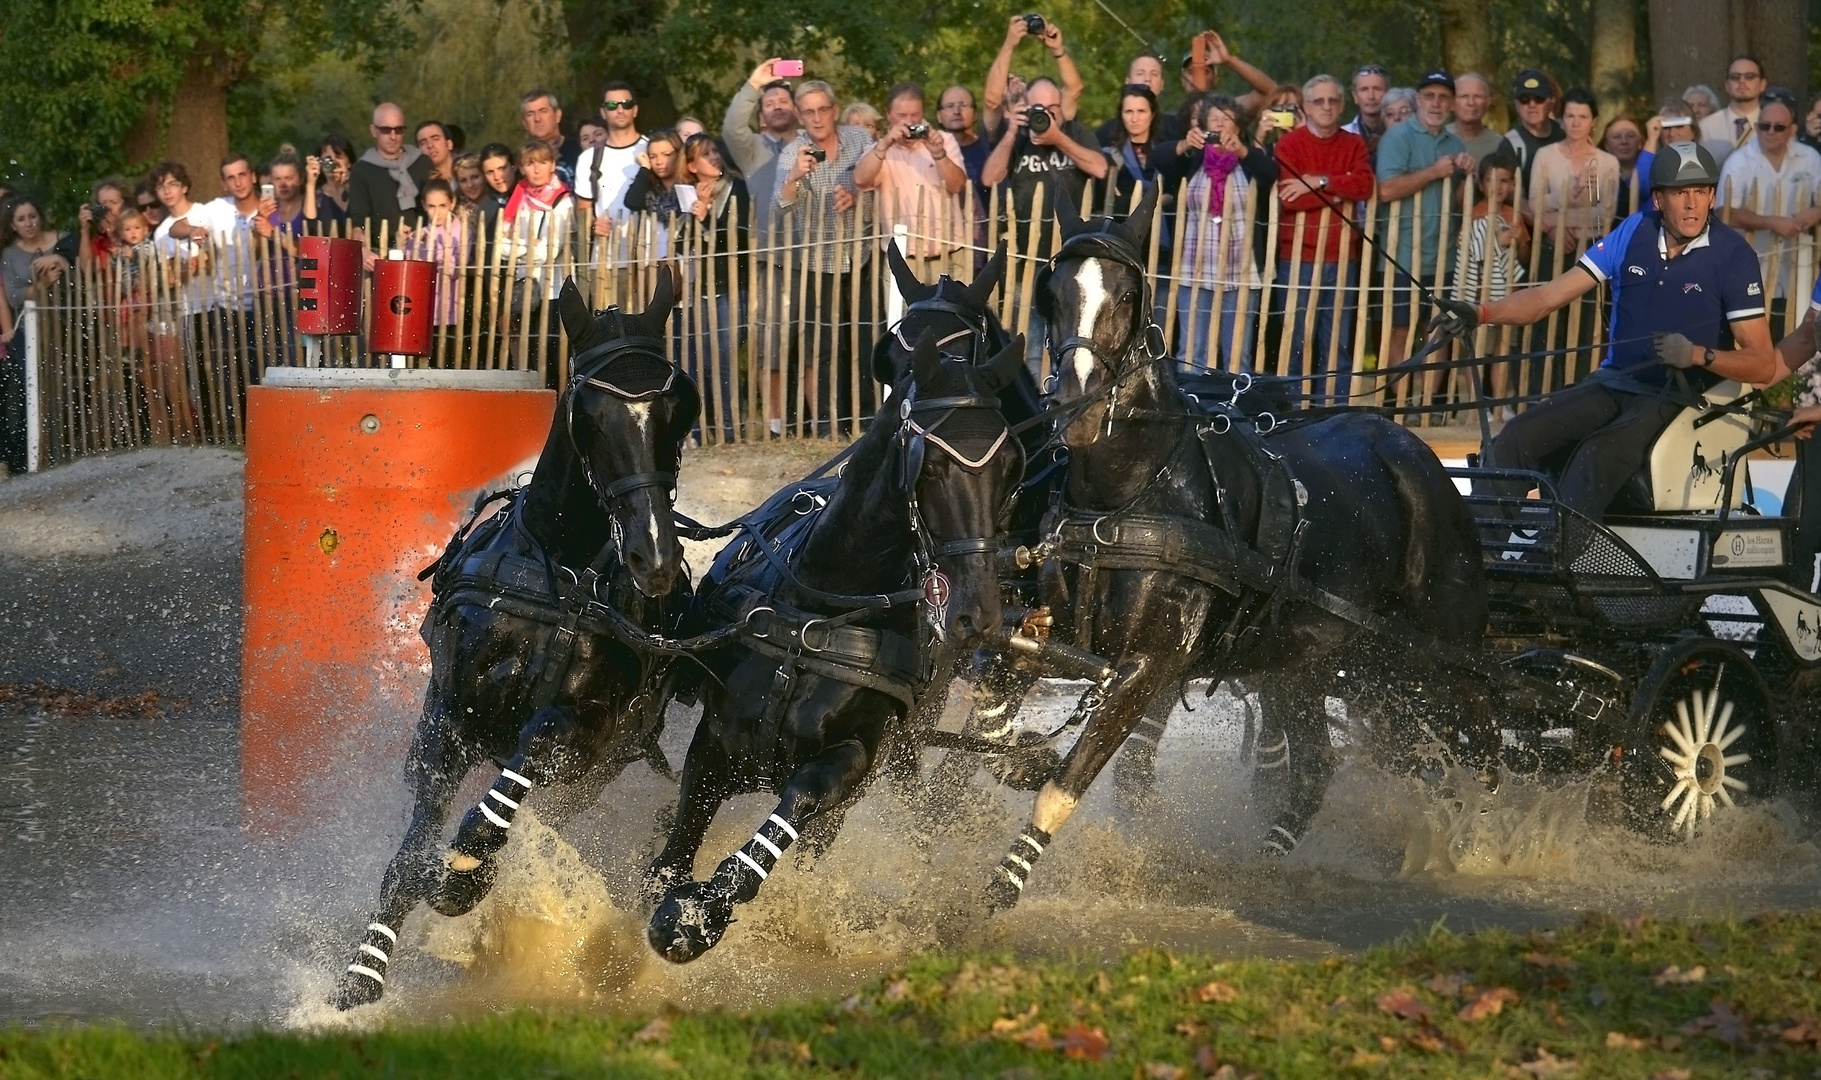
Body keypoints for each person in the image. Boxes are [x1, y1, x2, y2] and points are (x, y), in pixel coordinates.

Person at [1434, 143, 1776, 522]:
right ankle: (1481, 559)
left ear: (1712, 195)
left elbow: (1762, 363)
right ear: (1659, 199)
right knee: (1515, 437)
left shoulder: (1733, 254)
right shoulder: (1632, 231)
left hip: (1679, 396)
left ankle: (1557, 561)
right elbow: (1548, 297)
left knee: (1597, 454)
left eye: (1701, 191)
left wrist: (1699, 355)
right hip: (1614, 383)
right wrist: (1481, 312)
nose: (1692, 203)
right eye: (1681, 193)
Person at [982, 74, 1106, 368]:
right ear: (1027, 108)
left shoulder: (1076, 133)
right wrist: (1012, 130)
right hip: (1024, 267)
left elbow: (1100, 168)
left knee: (1070, 346)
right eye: (1040, 109)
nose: (1047, 115)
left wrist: (1057, 139)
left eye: (1054, 108)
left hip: (1071, 265)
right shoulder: (1018, 138)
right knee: (1029, 351)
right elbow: (989, 177)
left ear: (1063, 107)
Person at [775, 78, 875, 434]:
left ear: (834, 110)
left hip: (863, 254)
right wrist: (794, 177)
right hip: (820, 264)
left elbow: (879, 178)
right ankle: (833, 424)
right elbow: (781, 206)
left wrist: (855, 193)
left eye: (822, 110)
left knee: (867, 339)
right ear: (800, 117)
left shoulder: (860, 139)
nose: (817, 119)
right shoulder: (793, 151)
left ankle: (870, 418)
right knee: (825, 347)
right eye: (808, 112)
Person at [1269, 74, 1375, 404]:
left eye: (1333, 101)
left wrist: (1319, 181)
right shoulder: (1289, 145)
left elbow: (1365, 187)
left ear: (1342, 105)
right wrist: (1338, 190)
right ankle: (1294, 412)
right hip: (1297, 257)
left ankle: (1332, 410)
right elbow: (1290, 198)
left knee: (1337, 342)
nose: (1326, 107)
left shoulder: (1354, 144)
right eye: (1319, 101)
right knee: (1295, 339)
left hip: (1343, 257)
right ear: (1306, 107)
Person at [1375, 71, 1474, 365]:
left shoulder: (1455, 144)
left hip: (1442, 256)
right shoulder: (1397, 137)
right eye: (1429, 96)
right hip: (1401, 255)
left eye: (1443, 97)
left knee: (1439, 329)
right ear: (1418, 100)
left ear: (1452, 104)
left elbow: (1458, 203)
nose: (1435, 103)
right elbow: (1386, 190)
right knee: (1400, 330)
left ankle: (1427, 405)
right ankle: (1399, 407)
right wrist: (1433, 172)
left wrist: (1468, 176)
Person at [1174, 94, 1275, 371]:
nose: (1220, 125)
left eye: (1227, 119)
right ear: (1204, 126)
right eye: (1214, 119)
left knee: (1237, 353)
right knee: (1192, 349)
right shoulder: (1193, 159)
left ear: (1239, 128)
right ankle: (1191, 409)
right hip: (1195, 267)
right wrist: (1185, 144)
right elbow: (1160, 161)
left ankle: (1234, 410)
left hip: (1240, 270)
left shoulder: (1249, 161)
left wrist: (1243, 151)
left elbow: (1271, 173)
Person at [1717, 91, 1821, 311]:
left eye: (1779, 127)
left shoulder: (1810, 158)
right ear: (1757, 127)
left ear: (1792, 130)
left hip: (1800, 265)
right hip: (1753, 262)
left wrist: (1816, 212)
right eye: (1765, 126)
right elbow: (1724, 212)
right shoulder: (1738, 162)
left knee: (1797, 326)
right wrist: (1771, 222)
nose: (1771, 132)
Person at [853, 82, 968, 279]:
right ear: (888, 115)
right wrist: (885, 145)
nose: (909, 122)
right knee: (903, 312)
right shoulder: (878, 149)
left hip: (949, 253)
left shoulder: (944, 141)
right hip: (903, 256)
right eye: (902, 116)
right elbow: (861, 180)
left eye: (914, 115)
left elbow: (957, 185)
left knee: (953, 310)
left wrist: (939, 154)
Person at [681, 134, 749, 443]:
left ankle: (729, 430)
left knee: (723, 362)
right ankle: (701, 429)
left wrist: (707, 216)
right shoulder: (689, 195)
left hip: (730, 285)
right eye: (705, 155)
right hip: (701, 289)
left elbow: (734, 240)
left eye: (715, 151)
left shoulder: (736, 190)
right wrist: (697, 216)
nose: (714, 157)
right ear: (693, 166)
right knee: (702, 364)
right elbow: (683, 243)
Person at [1, 196, 76, 473]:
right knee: (28, 385)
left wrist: (61, 263)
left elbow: (81, 272)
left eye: (32, 216)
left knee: (67, 383)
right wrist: (42, 285)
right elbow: (14, 294)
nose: (28, 223)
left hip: (66, 321)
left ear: (40, 216)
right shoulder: (10, 254)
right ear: (13, 224)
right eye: (21, 219)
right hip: (29, 327)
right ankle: (26, 456)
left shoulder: (63, 239)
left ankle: (67, 447)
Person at [1529, 88, 1620, 255]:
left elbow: (1606, 213)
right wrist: (1574, 191)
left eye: (1583, 117)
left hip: (1594, 247)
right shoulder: (1545, 156)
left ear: (1594, 121)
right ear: (1561, 121)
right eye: (1570, 116)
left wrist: (1555, 220)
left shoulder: (1608, 162)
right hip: (1552, 245)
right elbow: (1535, 204)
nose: (1576, 123)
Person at [723, 61, 801, 242]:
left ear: (796, 110)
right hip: (770, 253)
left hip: (815, 251)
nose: (777, 107)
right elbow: (732, 128)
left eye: (783, 102)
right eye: (769, 104)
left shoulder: (811, 142)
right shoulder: (752, 149)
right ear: (762, 117)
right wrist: (754, 85)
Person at [1452, 146, 1529, 310]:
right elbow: (1467, 255)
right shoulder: (1474, 215)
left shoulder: (1513, 215)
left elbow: (1524, 258)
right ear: (1480, 185)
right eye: (1490, 180)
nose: (1498, 187)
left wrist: (1520, 241)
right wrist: (1497, 241)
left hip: (1510, 294)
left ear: (1512, 184)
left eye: (1503, 181)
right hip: (1481, 296)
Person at [982, 14, 1083, 137]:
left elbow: (1074, 88)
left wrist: (1057, 49)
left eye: (1019, 78)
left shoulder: (1053, 113)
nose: (1015, 80)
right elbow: (992, 101)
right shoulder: (1000, 126)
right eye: (1007, 81)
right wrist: (1009, 44)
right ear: (1005, 112)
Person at [346, 103, 433, 242]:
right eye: (386, 130)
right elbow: (358, 216)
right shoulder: (362, 169)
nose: (393, 136)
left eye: (398, 130)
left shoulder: (421, 162)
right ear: (374, 131)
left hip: (421, 247)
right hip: (381, 251)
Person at [575, 81, 648, 236]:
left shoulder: (652, 150)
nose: (620, 110)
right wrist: (594, 225)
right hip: (606, 254)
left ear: (635, 110)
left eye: (626, 104)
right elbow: (583, 209)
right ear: (603, 112)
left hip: (650, 250)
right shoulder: (588, 158)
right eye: (612, 105)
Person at [400, 179, 469, 340]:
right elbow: (406, 271)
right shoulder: (421, 233)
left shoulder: (462, 233)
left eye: (442, 206)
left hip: (449, 312)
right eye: (431, 206)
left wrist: (437, 250)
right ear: (424, 205)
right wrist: (405, 244)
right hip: (422, 309)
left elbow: (456, 271)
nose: (437, 212)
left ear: (452, 204)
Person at [1094, 53, 1187, 146]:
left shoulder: (1177, 128)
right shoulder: (1108, 132)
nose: (1147, 79)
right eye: (1140, 73)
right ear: (1128, 82)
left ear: (1162, 84)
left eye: (1154, 74)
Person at [1504, 69, 1565, 194]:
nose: (1532, 104)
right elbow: (1508, 191)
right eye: (1524, 99)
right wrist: (1533, 213)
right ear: (1516, 104)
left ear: (1551, 101)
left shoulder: (1566, 133)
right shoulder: (1510, 143)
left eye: (1539, 99)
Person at [1699, 56, 1765, 166]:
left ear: (1762, 84)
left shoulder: (1776, 126)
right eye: (1735, 77)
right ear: (1726, 85)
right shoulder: (1707, 127)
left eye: (1749, 77)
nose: (1742, 81)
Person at [519, 89, 582, 184]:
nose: (537, 118)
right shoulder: (520, 161)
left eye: (543, 111)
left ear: (557, 115)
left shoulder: (580, 149)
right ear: (524, 123)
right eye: (530, 114)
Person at [938, 84, 991, 189]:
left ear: (975, 114)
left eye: (963, 105)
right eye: (950, 106)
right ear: (939, 116)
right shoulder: (929, 151)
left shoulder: (988, 148)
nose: (957, 111)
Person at [1602, 116, 1649, 223]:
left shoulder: (1653, 172)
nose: (1624, 141)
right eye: (1616, 137)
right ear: (1606, 145)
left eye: (1630, 136)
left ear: (1640, 143)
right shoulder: (1599, 176)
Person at [1449, 73, 1503, 162]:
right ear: (1451, 103)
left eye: (1478, 96)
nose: (1471, 102)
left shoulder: (1499, 145)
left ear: (1488, 103)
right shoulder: (1436, 139)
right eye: (1464, 96)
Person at [1341, 64, 1389, 163]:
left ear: (1388, 93)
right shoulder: (1341, 136)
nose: (1371, 96)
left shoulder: (1402, 133)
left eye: (1377, 89)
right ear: (1355, 96)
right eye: (1364, 89)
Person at [78, 178, 129, 265]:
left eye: (114, 202)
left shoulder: (135, 228)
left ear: (125, 205)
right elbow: (86, 268)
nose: (108, 207)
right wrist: (85, 230)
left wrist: (114, 234)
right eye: (103, 203)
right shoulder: (98, 237)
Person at [308, 133, 354, 219]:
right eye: (328, 159)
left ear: (349, 162)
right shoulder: (318, 197)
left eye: (338, 157)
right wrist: (310, 183)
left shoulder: (359, 190)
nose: (334, 163)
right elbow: (309, 223)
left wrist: (352, 182)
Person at [452, 152, 487, 216]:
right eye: (463, 181)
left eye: (475, 177)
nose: (470, 185)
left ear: (484, 175)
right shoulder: (452, 210)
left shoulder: (500, 203)